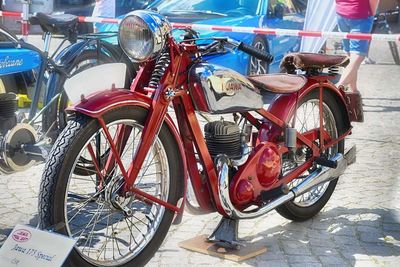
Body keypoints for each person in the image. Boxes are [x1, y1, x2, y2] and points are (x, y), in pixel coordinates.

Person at [335, 0, 380, 92]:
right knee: (357, 56)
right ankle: (338, 87)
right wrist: (372, 13)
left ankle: (354, 91)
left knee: (351, 57)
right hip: (360, 13)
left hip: (341, 12)